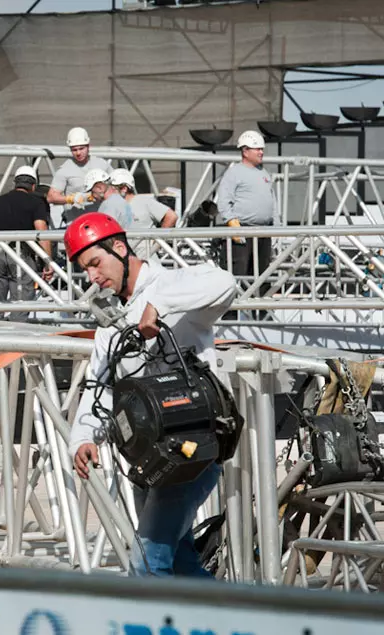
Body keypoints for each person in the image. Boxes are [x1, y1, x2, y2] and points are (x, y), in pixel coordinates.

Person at [65, 212, 237, 577]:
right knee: (179, 561)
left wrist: (157, 303)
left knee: (147, 563)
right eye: (85, 269)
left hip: (195, 448)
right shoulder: (110, 323)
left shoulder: (171, 283)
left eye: (95, 263)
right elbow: (101, 385)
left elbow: (224, 282)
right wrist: (82, 438)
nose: (93, 277)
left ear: (120, 246)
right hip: (149, 457)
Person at [216, 129, 275, 319]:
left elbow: (271, 200)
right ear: (245, 151)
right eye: (257, 149)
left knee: (262, 275)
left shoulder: (264, 173)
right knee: (236, 276)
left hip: (263, 232)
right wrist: (232, 223)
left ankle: (263, 316)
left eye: (262, 149)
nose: (261, 152)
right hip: (242, 231)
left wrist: (277, 225)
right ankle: (229, 317)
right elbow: (223, 200)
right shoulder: (234, 173)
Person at [0, 165, 53, 321]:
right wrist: (48, 262)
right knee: (20, 311)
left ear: (15, 183)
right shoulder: (37, 202)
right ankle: (17, 343)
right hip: (22, 258)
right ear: (33, 186)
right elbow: (42, 231)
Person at [108, 168, 178, 260]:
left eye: (113, 189)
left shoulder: (144, 201)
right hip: (124, 259)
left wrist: (157, 242)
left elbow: (171, 216)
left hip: (147, 259)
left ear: (124, 189)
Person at [46, 127, 109, 225]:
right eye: (74, 150)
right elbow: (51, 197)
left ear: (88, 146)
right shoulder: (65, 169)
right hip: (76, 224)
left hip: (100, 221)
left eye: (81, 148)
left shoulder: (102, 164)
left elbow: (115, 185)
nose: (78, 153)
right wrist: (72, 198)